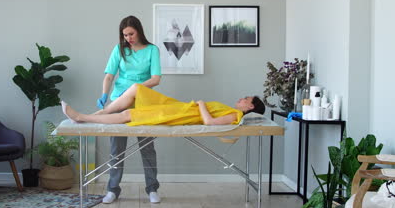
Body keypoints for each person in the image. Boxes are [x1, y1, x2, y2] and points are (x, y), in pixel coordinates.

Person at [96, 16, 162, 204]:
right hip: (119, 101)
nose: (128, 38)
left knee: (147, 148)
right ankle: (112, 189)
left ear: (139, 31)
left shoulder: (152, 50)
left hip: (142, 102)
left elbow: (156, 78)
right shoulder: (119, 49)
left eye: (131, 34)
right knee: (116, 149)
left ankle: (152, 189)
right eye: (125, 35)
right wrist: (104, 95)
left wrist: (136, 89)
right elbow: (109, 76)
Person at [62, 84, 265, 126]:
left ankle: (82, 117)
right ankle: (99, 112)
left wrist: (201, 104)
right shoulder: (232, 111)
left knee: (129, 115)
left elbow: (209, 122)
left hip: (181, 114)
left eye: (246, 99)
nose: (242, 98)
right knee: (137, 89)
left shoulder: (235, 117)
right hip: (180, 107)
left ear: (251, 107)